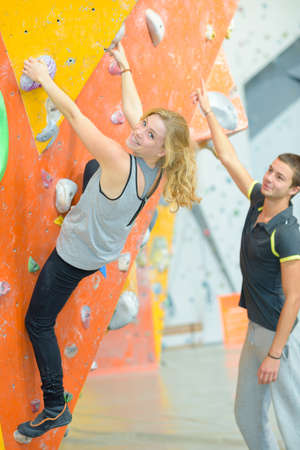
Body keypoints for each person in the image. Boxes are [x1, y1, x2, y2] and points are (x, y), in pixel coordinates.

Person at [17, 44, 201, 439]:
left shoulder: (120, 161)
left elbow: (74, 116)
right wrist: (126, 64)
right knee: (91, 168)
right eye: (144, 125)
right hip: (104, 238)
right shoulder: (154, 166)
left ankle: (54, 407)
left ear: (161, 149)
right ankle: (87, 203)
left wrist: (44, 77)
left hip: (76, 255)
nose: (138, 130)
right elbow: (136, 114)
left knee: (38, 322)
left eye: (149, 133)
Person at [192, 80, 300, 450]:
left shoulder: (288, 233)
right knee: (247, 415)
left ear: (295, 190)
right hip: (256, 330)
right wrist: (208, 110)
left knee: (292, 421)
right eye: (271, 170)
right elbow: (230, 159)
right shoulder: (258, 200)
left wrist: (274, 354)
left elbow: (295, 298)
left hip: (279, 339)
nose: (270, 178)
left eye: (280, 177)